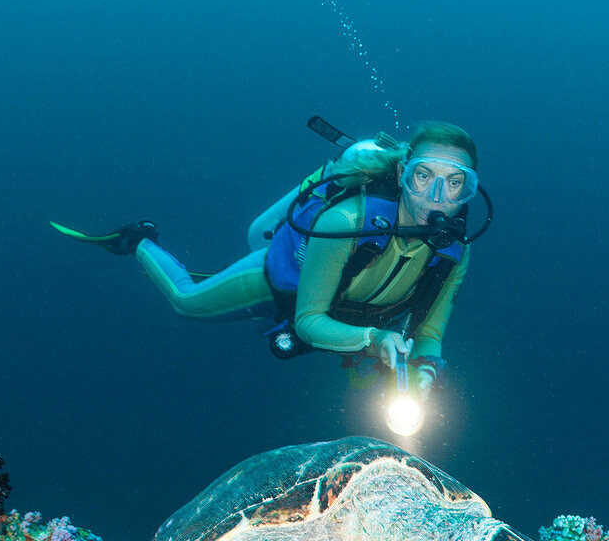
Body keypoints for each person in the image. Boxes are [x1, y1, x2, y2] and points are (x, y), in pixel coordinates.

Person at [80, 120, 481, 400]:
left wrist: (427, 369)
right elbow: (308, 321)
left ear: (468, 191)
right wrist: (374, 340)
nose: (437, 196)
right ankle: (137, 241)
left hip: (349, 316)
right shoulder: (346, 222)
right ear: (401, 173)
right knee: (186, 301)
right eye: (424, 175)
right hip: (279, 284)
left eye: (455, 182)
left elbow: (429, 332)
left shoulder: (454, 253)